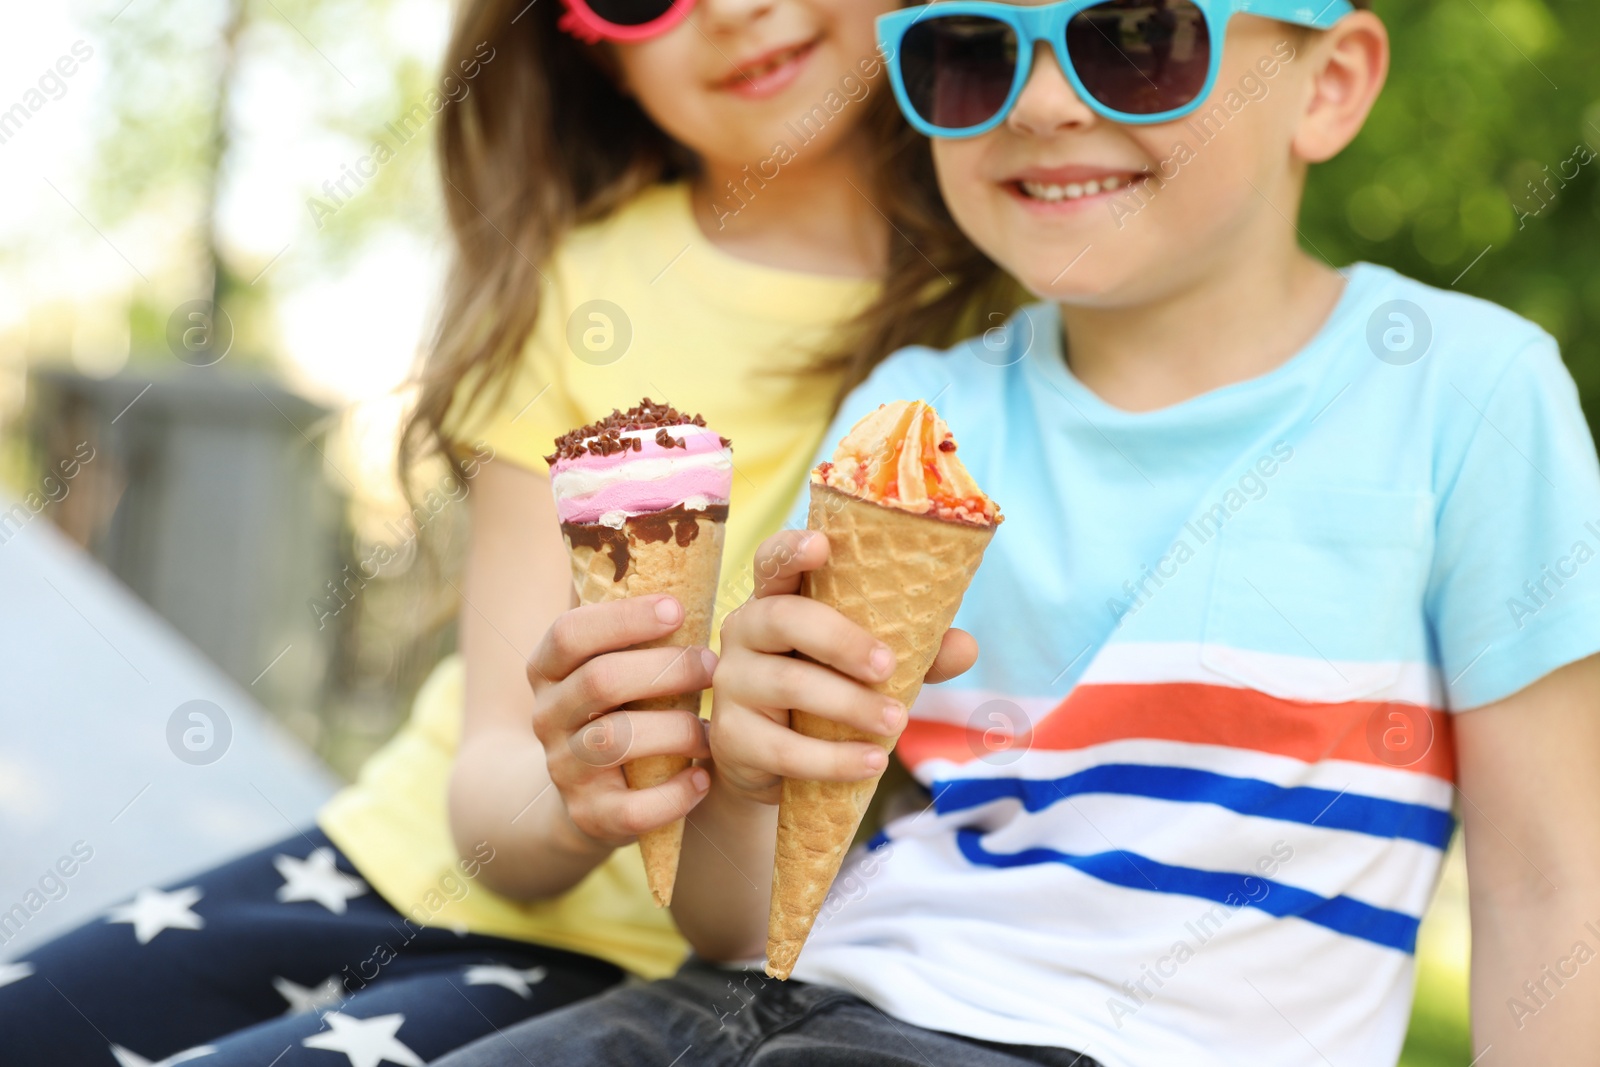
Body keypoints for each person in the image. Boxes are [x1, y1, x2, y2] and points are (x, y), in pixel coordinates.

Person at [433, 2, 1600, 1065]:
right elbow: (735, 914)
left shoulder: (1465, 390)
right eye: (970, 53)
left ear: (1330, 83)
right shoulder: (912, 415)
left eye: (1137, 38)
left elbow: (1552, 883)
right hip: (734, 1005)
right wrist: (739, 776)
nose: (1041, 100)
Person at [0, 1, 1016, 1063]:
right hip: (396, 869)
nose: (730, 10)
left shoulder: (1029, 305)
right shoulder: (569, 282)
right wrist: (578, 792)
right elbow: (491, 776)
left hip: (649, 985)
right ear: (584, 49)